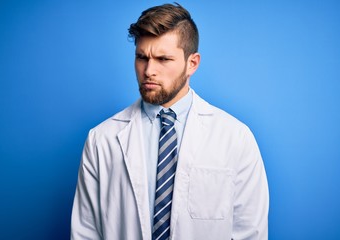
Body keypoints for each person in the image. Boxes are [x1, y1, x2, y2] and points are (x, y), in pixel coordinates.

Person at [71, 3, 269, 240]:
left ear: (192, 63)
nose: (149, 70)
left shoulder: (235, 137)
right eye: (142, 57)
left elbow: (251, 233)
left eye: (163, 59)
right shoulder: (101, 139)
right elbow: (85, 232)